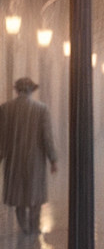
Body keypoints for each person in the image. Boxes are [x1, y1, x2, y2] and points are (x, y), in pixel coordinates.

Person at [0, 77, 57, 235]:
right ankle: (34, 226)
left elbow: (2, 137)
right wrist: (52, 159)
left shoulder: (5, 109)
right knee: (35, 194)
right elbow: (47, 137)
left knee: (18, 196)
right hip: (35, 159)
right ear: (32, 90)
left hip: (14, 159)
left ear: (16, 90)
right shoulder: (41, 109)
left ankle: (23, 227)